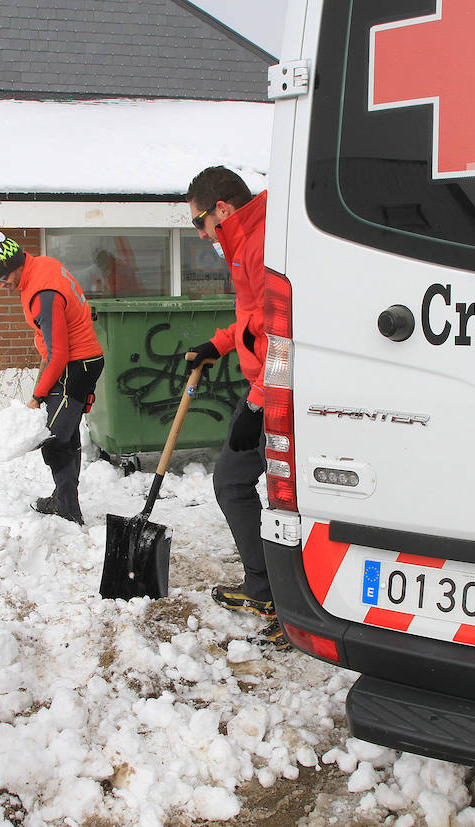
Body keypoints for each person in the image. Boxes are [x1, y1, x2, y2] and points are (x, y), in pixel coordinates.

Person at [182, 166, 287, 650]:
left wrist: (259, 405)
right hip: (265, 386)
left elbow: (285, 333)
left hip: (283, 393)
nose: (201, 234)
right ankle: (265, 589)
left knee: (290, 500)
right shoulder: (245, 242)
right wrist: (219, 345)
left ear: (221, 209)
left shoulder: (264, 244)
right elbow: (253, 320)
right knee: (232, 481)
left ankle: (296, 610)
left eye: (199, 222)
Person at [0, 222, 104, 525]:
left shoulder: (42, 293)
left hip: (74, 365)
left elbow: (59, 353)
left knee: (54, 438)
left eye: (1, 278)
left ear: (13, 265)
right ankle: (64, 499)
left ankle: (67, 509)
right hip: (79, 362)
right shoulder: (43, 265)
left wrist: (37, 396)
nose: (0, 285)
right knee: (65, 433)